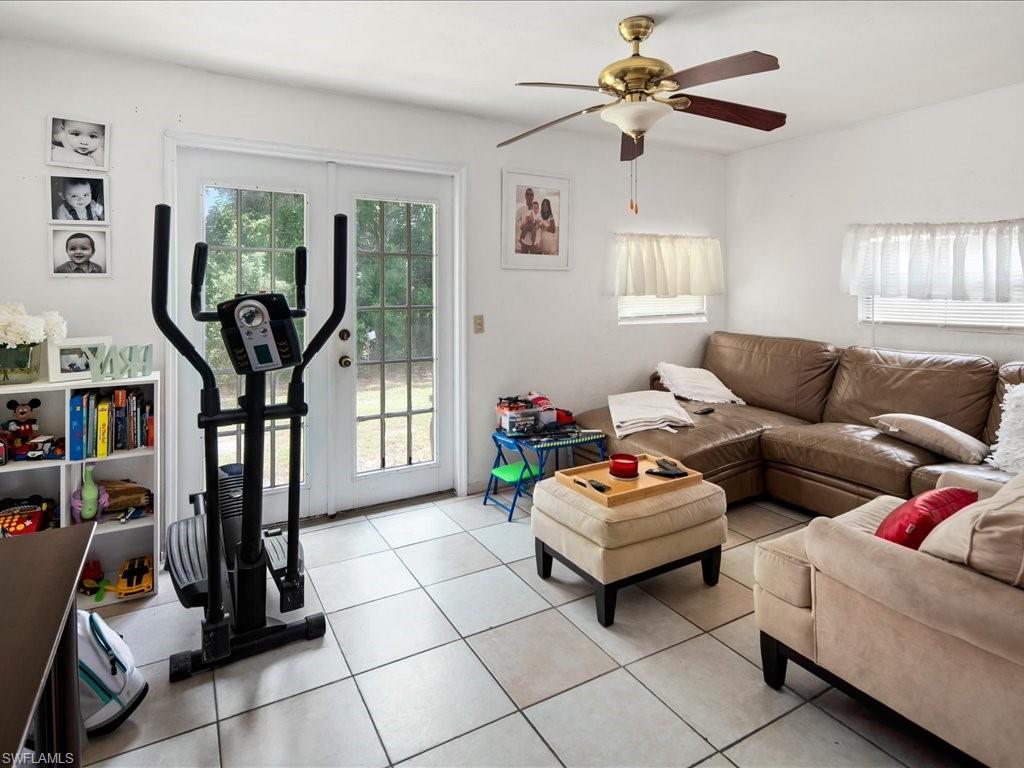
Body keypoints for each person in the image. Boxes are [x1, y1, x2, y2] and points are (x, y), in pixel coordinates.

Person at [515, 187, 536, 253]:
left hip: (534, 241)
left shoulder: (536, 209)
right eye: (528, 194)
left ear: (533, 197)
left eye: (531, 194)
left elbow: (539, 221)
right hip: (524, 241)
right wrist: (522, 227)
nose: (529, 196)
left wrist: (534, 226)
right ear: (525, 196)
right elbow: (516, 221)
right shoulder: (521, 209)